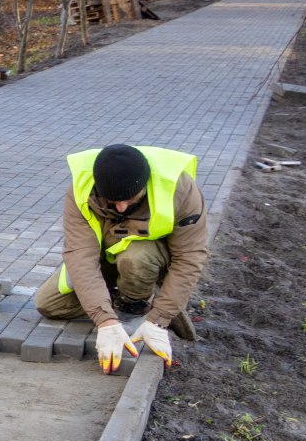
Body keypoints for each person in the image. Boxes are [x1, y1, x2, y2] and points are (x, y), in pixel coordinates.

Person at [37, 142, 207, 375]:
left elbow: (189, 257)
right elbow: (80, 255)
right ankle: (119, 303)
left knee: (135, 258)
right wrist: (104, 320)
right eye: (112, 201)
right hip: (105, 257)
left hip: (147, 259)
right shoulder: (81, 188)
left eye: (130, 199)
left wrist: (160, 319)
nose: (121, 206)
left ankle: (137, 304)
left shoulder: (179, 188)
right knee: (50, 304)